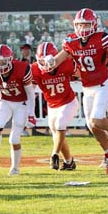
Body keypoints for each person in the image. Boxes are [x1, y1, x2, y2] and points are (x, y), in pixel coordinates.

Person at [49, 8, 108, 174]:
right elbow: (57, 60)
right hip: (87, 87)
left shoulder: (101, 38)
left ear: (93, 24)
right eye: (80, 25)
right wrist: (49, 62)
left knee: (96, 120)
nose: (83, 28)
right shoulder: (71, 41)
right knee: (91, 126)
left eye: (86, 24)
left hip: (102, 85)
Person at [0, 44, 34, 176]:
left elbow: (30, 93)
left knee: (14, 139)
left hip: (21, 103)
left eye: (3, 61)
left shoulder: (22, 68)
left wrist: (31, 114)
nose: (0, 65)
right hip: (5, 101)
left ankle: (15, 168)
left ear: (10, 59)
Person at [31, 42, 78, 171]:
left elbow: (81, 74)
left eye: (48, 61)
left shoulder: (65, 63)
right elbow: (30, 88)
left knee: (60, 125)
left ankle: (54, 155)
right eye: (42, 61)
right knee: (56, 134)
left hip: (68, 102)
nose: (45, 65)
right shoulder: (35, 69)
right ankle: (69, 162)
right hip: (52, 106)